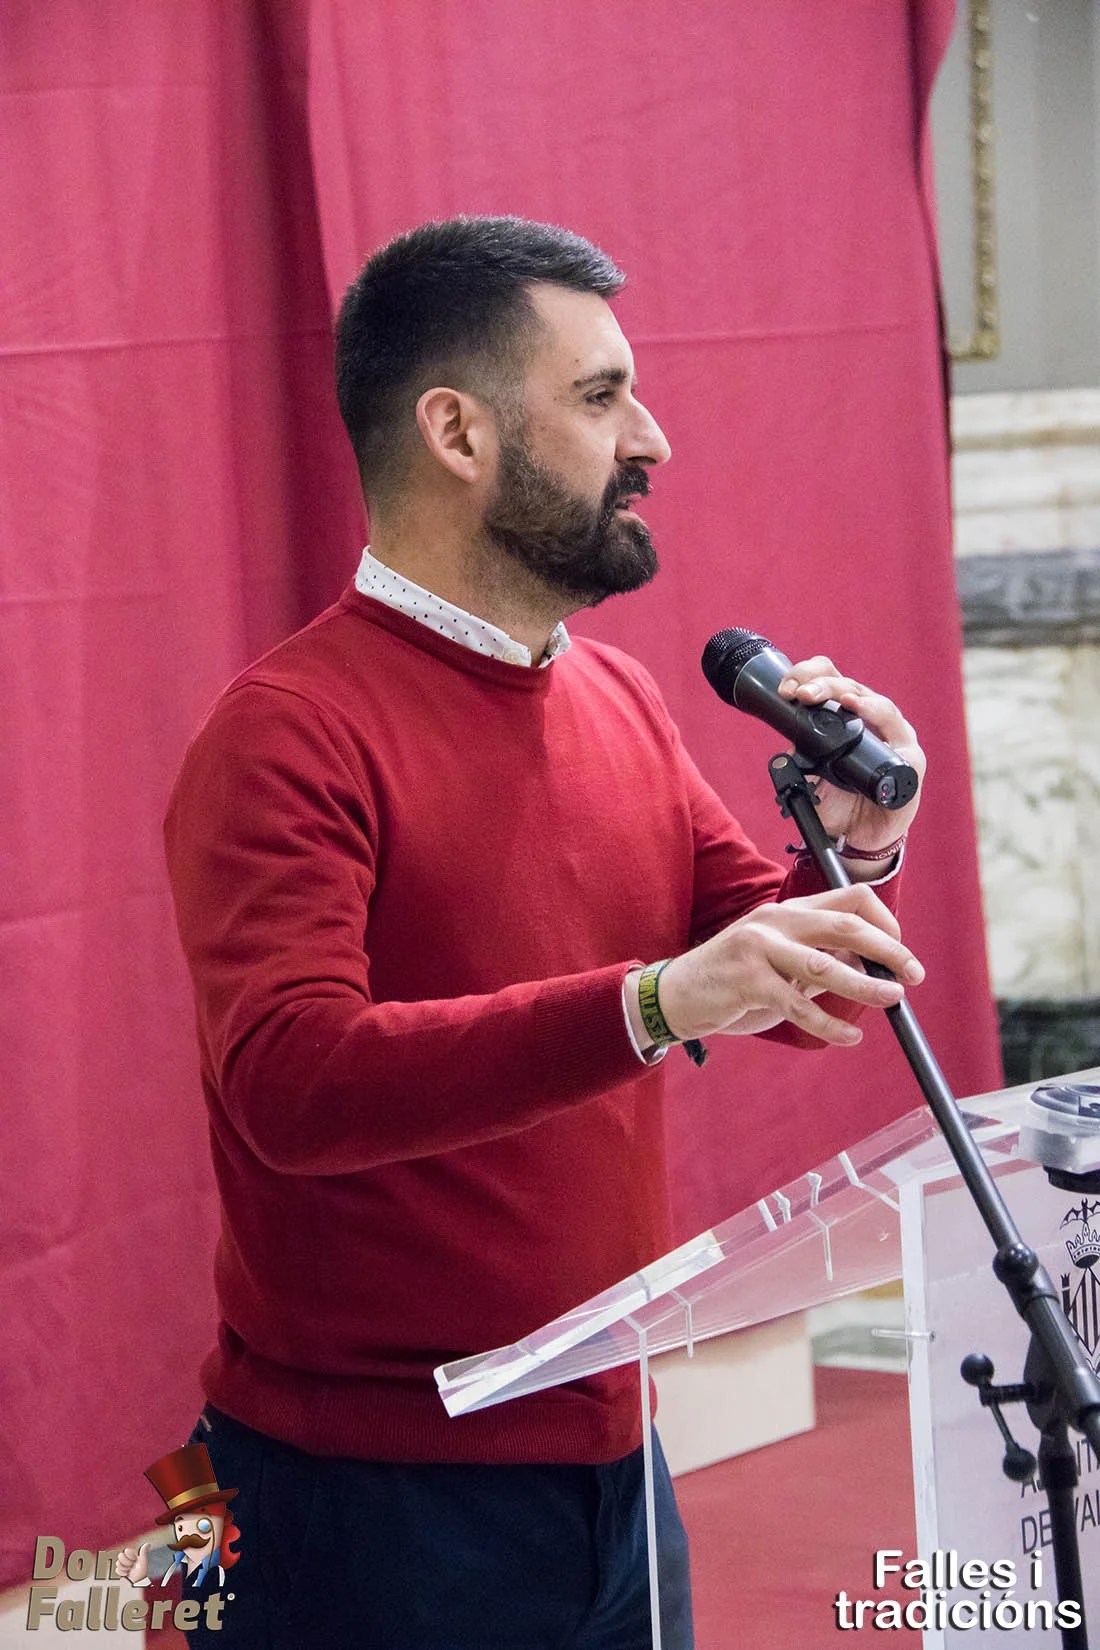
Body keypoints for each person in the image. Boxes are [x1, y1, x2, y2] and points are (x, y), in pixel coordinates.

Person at [163, 216, 926, 1649]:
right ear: (456, 431)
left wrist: (858, 840)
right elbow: (290, 1081)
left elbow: (788, 978)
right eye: (599, 395)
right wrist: (651, 1005)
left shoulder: (620, 698)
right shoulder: (283, 734)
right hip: (340, 1495)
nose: (653, 438)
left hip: (613, 1461)